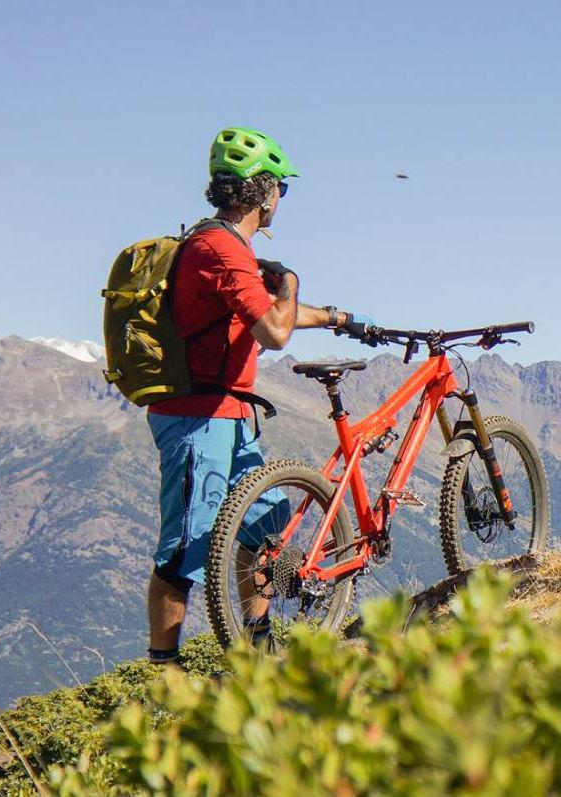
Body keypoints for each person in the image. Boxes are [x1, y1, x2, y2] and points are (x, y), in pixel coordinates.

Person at [144, 127, 371, 666]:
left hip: (232, 414)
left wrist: (341, 320)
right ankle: (165, 672)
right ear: (262, 191)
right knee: (185, 547)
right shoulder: (220, 248)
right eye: (281, 191)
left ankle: (258, 641)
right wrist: (289, 283)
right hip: (199, 417)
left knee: (266, 527)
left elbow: (267, 314)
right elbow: (274, 329)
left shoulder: (224, 246)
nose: (280, 202)